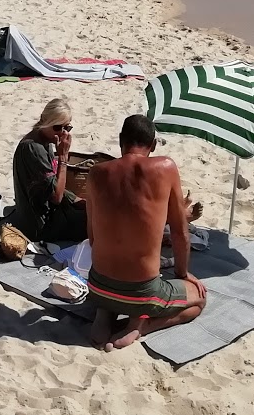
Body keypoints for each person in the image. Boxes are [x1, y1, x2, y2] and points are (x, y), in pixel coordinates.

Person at [85, 114, 208, 350]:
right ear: (152, 145)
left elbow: (92, 237)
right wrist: (183, 273)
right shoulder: (165, 167)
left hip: (98, 285)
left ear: (121, 140)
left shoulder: (96, 173)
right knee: (199, 300)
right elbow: (181, 232)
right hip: (141, 293)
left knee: (112, 287)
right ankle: (142, 325)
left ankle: (105, 313)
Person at [11, 98, 89, 244]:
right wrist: (63, 159)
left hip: (47, 213)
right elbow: (56, 196)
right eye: (57, 128)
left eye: (67, 128)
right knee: (97, 222)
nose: (62, 133)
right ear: (45, 122)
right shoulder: (34, 149)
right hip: (40, 225)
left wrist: (75, 199)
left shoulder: (44, 141)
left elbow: (52, 183)